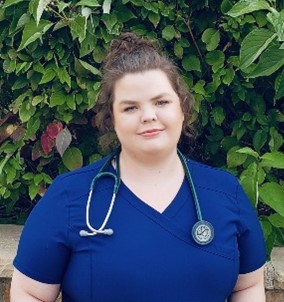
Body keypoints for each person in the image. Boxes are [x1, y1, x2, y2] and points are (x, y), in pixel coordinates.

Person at [11, 32, 266, 302]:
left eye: (161, 102)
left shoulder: (225, 193)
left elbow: (247, 286)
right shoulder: (70, 197)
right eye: (130, 108)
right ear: (112, 119)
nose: (148, 116)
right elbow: (30, 293)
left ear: (182, 108)